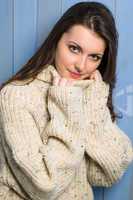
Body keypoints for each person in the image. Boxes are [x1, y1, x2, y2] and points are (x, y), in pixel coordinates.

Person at [0, 1, 133, 200]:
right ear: (56, 41)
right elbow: (45, 187)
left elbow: (104, 174)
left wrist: (94, 105)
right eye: (74, 49)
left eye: (94, 57)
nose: (81, 65)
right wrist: (66, 110)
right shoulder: (17, 96)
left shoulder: (88, 93)